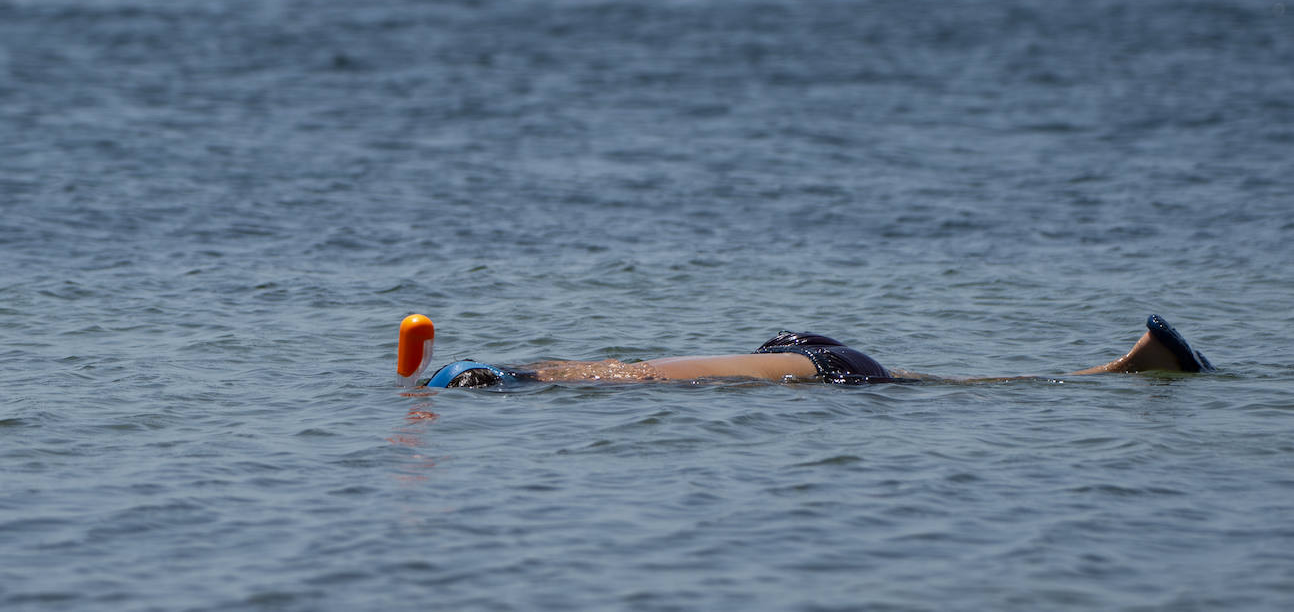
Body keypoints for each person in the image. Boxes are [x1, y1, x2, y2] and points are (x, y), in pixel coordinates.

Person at [419, 314, 1214, 388]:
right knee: (939, 382)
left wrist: (485, 375)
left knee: (944, 384)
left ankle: (1125, 369)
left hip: (819, 371)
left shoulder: (562, 380)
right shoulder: (559, 376)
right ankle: (1122, 368)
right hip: (813, 365)